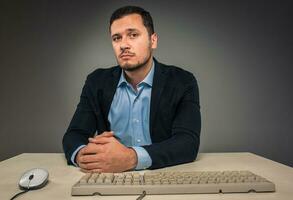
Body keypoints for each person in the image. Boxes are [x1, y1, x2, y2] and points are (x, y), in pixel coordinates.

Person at [62, 5, 201, 173]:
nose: (123, 45)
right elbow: (75, 134)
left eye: (133, 35)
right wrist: (82, 155)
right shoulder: (96, 82)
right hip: (109, 177)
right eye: (116, 38)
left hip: (162, 175)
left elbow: (187, 143)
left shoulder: (182, 81)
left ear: (153, 40)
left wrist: (132, 157)